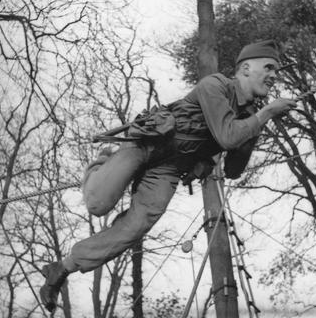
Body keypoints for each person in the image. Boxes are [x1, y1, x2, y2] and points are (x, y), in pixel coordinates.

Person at [39, 40, 297, 312]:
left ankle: (62, 268)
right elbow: (226, 136)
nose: (273, 76)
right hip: (147, 146)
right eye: (268, 68)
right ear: (245, 68)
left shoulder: (249, 115)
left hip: (169, 168)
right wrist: (266, 113)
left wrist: (256, 124)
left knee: (136, 227)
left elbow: (233, 170)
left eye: (276, 72)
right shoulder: (215, 85)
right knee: (97, 205)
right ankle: (101, 164)